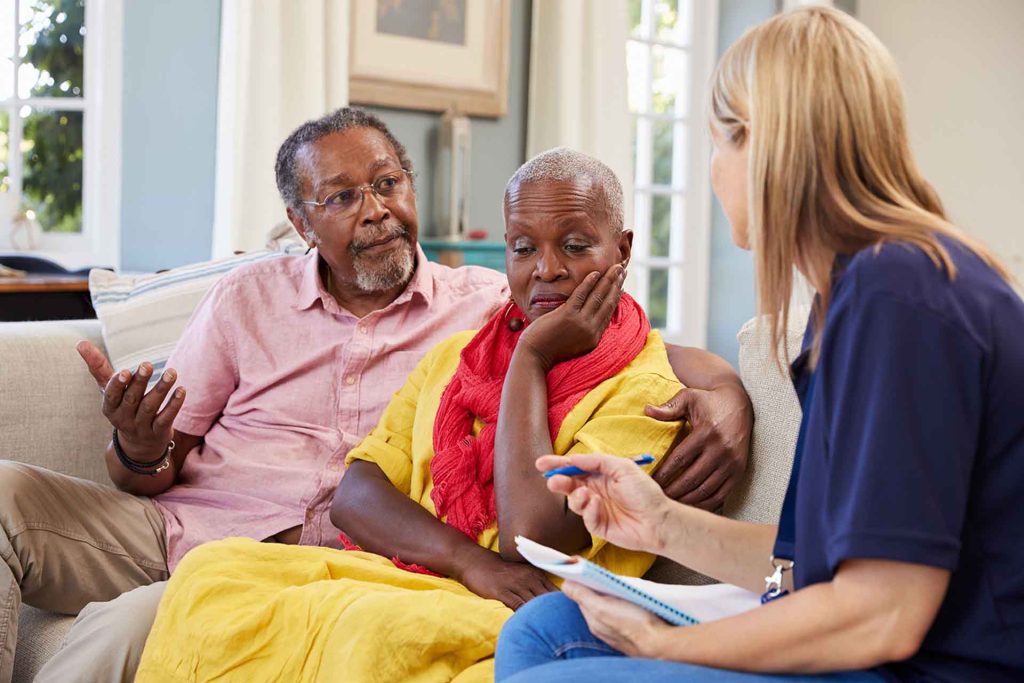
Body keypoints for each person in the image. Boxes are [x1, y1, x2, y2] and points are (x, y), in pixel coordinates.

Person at [0, 109, 752, 683]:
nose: (377, 209)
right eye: (343, 196)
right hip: (183, 526)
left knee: (140, 620)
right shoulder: (247, 298)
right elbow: (149, 470)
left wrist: (726, 392)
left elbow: (626, 339)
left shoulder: (488, 307)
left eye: (389, 183)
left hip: (351, 556)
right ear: (300, 222)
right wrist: (137, 445)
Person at [495, 7, 1024, 683]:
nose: (713, 170)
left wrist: (664, 647)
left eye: (720, 143)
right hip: (879, 644)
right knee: (545, 631)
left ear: (765, 143)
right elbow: (806, 567)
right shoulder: (855, 296)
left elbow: (882, 612)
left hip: (935, 668)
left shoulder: (900, 295)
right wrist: (661, 522)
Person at [135, 148, 693, 681]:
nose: (547, 269)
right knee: (215, 572)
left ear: (621, 250)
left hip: (545, 608)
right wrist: (465, 560)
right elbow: (355, 496)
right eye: (523, 249)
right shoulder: (457, 357)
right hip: (434, 574)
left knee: (369, 630)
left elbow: (531, 537)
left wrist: (533, 356)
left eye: (574, 246)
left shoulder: (643, 390)